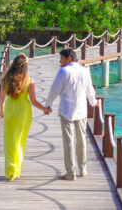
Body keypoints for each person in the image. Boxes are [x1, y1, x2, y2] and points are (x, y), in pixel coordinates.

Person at [45, 48, 98, 181]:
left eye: (61, 58)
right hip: (81, 110)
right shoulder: (85, 71)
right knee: (82, 140)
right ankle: (83, 169)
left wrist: (48, 105)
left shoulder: (64, 71)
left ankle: (70, 172)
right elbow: (90, 90)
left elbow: (54, 90)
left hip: (67, 110)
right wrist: (93, 102)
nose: (60, 61)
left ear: (69, 58)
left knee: (68, 141)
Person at [0, 53, 48, 181]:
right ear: (25, 67)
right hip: (23, 112)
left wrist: (2, 110)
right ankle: (17, 170)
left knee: (9, 141)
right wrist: (44, 109)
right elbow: (34, 101)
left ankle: (10, 168)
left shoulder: (7, 79)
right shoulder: (29, 81)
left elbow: (2, 98)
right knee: (20, 141)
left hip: (10, 110)